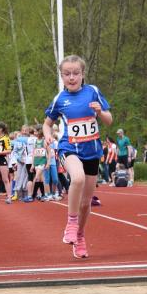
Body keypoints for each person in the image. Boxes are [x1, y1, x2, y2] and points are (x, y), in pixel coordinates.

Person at [44, 55, 113, 259]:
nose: (72, 77)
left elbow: (109, 120)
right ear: (62, 76)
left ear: (83, 74)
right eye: (67, 74)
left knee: (86, 202)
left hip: (92, 151)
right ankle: (71, 222)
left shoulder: (93, 92)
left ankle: (80, 236)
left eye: (76, 73)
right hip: (68, 148)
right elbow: (47, 123)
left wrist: (100, 112)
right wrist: (47, 136)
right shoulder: (59, 100)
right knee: (78, 178)